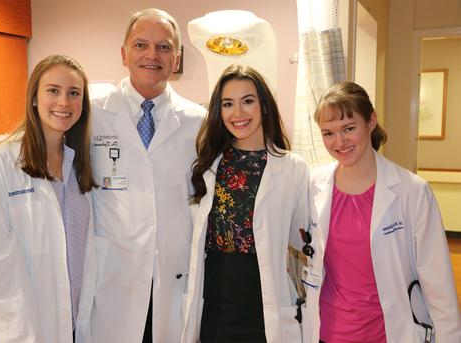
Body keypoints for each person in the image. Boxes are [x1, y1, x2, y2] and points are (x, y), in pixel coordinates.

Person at [302, 81, 461, 342]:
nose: (339, 142)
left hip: (388, 333)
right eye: (328, 133)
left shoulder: (412, 191)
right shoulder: (313, 185)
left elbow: (439, 284)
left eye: (349, 128)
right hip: (326, 333)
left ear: (371, 121)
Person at [89, 8, 206, 342]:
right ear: (124, 53)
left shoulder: (199, 122)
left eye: (164, 47)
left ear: (177, 58)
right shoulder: (92, 115)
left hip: (172, 278)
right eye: (141, 45)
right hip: (112, 280)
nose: (152, 55)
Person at [0, 54, 97, 342]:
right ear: (34, 97)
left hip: (73, 328)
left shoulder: (79, 166)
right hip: (21, 331)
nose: (64, 102)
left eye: (74, 93)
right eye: (53, 90)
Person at [181, 64, 309, 343]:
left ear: (263, 105)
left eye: (247, 101)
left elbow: (305, 241)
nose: (237, 113)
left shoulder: (292, 169)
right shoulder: (209, 165)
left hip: (264, 304)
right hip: (215, 302)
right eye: (228, 104)